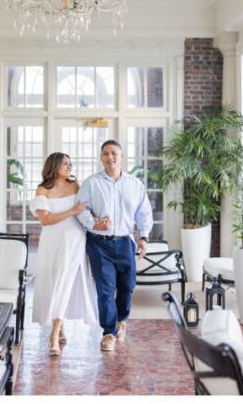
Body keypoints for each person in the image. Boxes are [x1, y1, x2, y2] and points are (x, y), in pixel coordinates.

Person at [75, 139, 153, 352]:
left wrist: (144, 238)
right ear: (101, 158)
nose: (110, 157)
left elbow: (144, 212)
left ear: (121, 157)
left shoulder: (135, 184)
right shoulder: (91, 183)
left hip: (125, 241)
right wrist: (94, 224)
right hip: (99, 244)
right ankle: (108, 332)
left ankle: (121, 320)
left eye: (114, 153)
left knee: (127, 286)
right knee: (105, 289)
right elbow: (80, 210)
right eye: (106, 153)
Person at [28, 153, 99, 355]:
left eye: (70, 164)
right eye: (65, 163)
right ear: (54, 165)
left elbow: (86, 211)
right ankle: (61, 326)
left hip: (75, 240)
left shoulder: (75, 186)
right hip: (52, 241)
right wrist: (71, 211)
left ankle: (54, 333)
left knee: (65, 282)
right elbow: (46, 221)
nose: (69, 167)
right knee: (53, 282)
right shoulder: (43, 190)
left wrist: (96, 221)